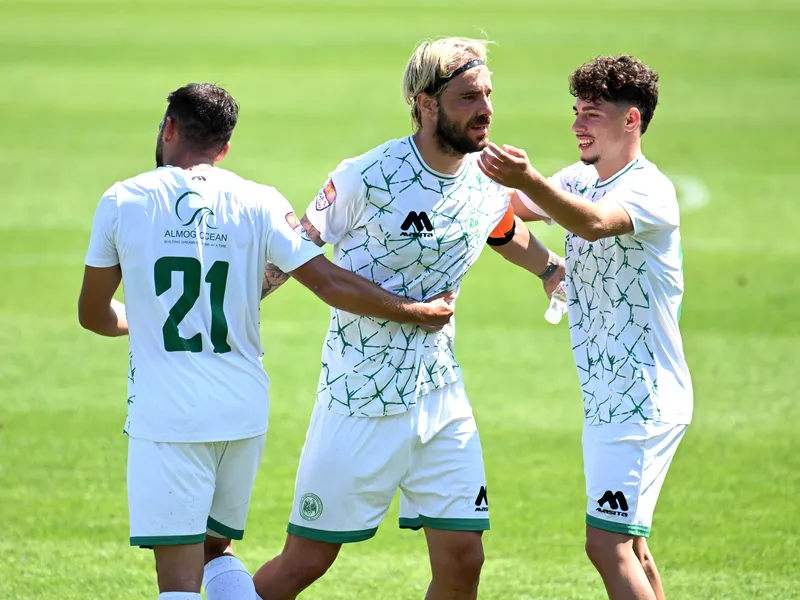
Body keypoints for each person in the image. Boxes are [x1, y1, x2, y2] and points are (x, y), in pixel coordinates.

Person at [77, 82, 455, 600]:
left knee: (178, 581)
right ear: (224, 147)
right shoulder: (261, 201)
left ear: (169, 128)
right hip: (242, 411)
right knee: (216, 549)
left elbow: (93, 314)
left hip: (168, 416)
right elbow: (330, 283)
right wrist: (418, 311)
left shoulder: (123, 200)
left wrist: (139, 320)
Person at [252, 37, 562, 600]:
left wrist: (548, 268)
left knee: (464, 559)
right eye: (469, 97)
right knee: (306, 562)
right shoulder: (367, 176)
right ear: (425, 104)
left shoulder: (486, 174)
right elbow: (297, 254)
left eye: (488, 94)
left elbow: (497, 226)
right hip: (359, 397)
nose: (486, 109)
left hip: (441, 394)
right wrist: (232, 306)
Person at [477, 55, 693, 600]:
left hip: (641, 399)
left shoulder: (649, 189)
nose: (577, 124)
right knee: (632, 546)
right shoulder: (579, 178)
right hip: (609, 397)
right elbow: (500, 210)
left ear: (631, 119)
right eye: (576, 112)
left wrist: (528, 178)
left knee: (607, 546)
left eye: (591, 114)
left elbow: (594, 224)